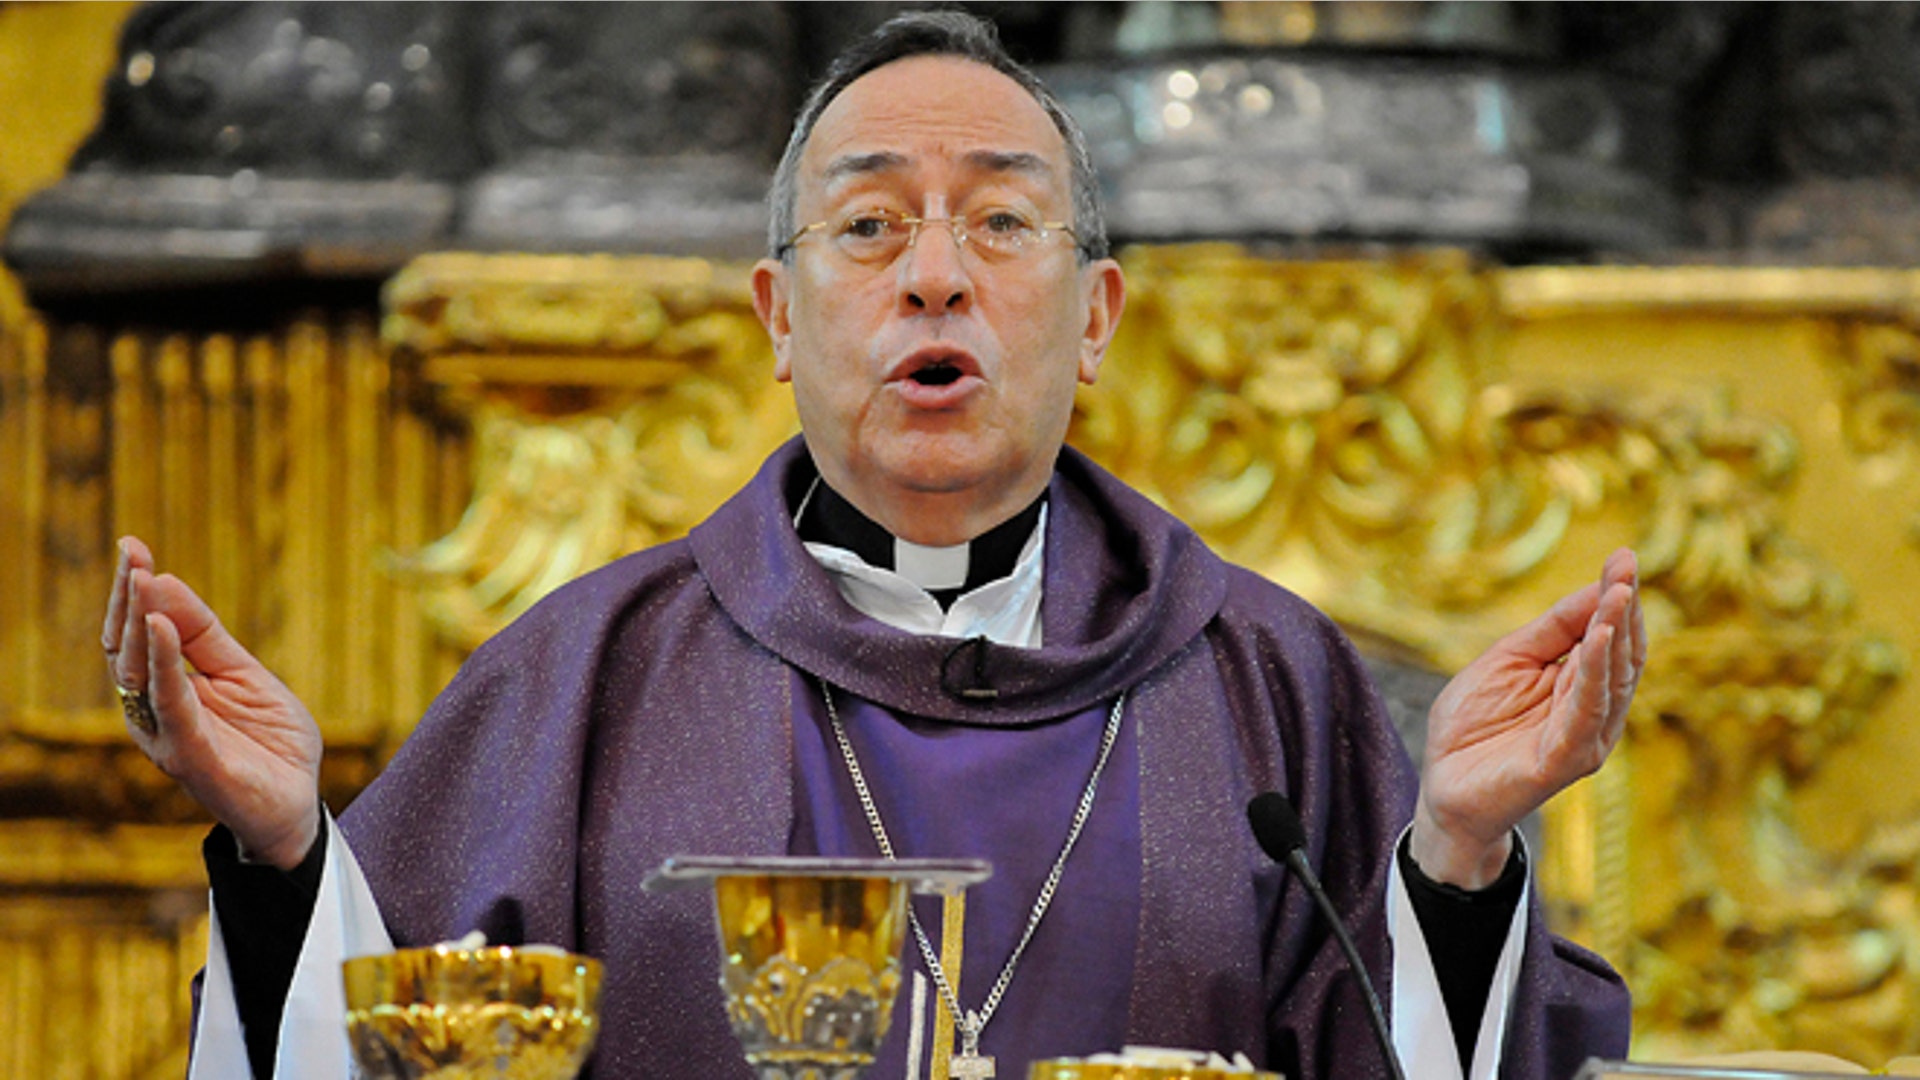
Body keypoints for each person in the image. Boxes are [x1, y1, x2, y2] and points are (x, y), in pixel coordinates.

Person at [102, 12, 1640, 1080]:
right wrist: (293, 855)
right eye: (867, 226)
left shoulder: (1267, 681)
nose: (932, 278)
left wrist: (1455, 858)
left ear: (1093, 319)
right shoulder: (586, 677)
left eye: (999, 222)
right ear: (781, 319)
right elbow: (397, 1039)